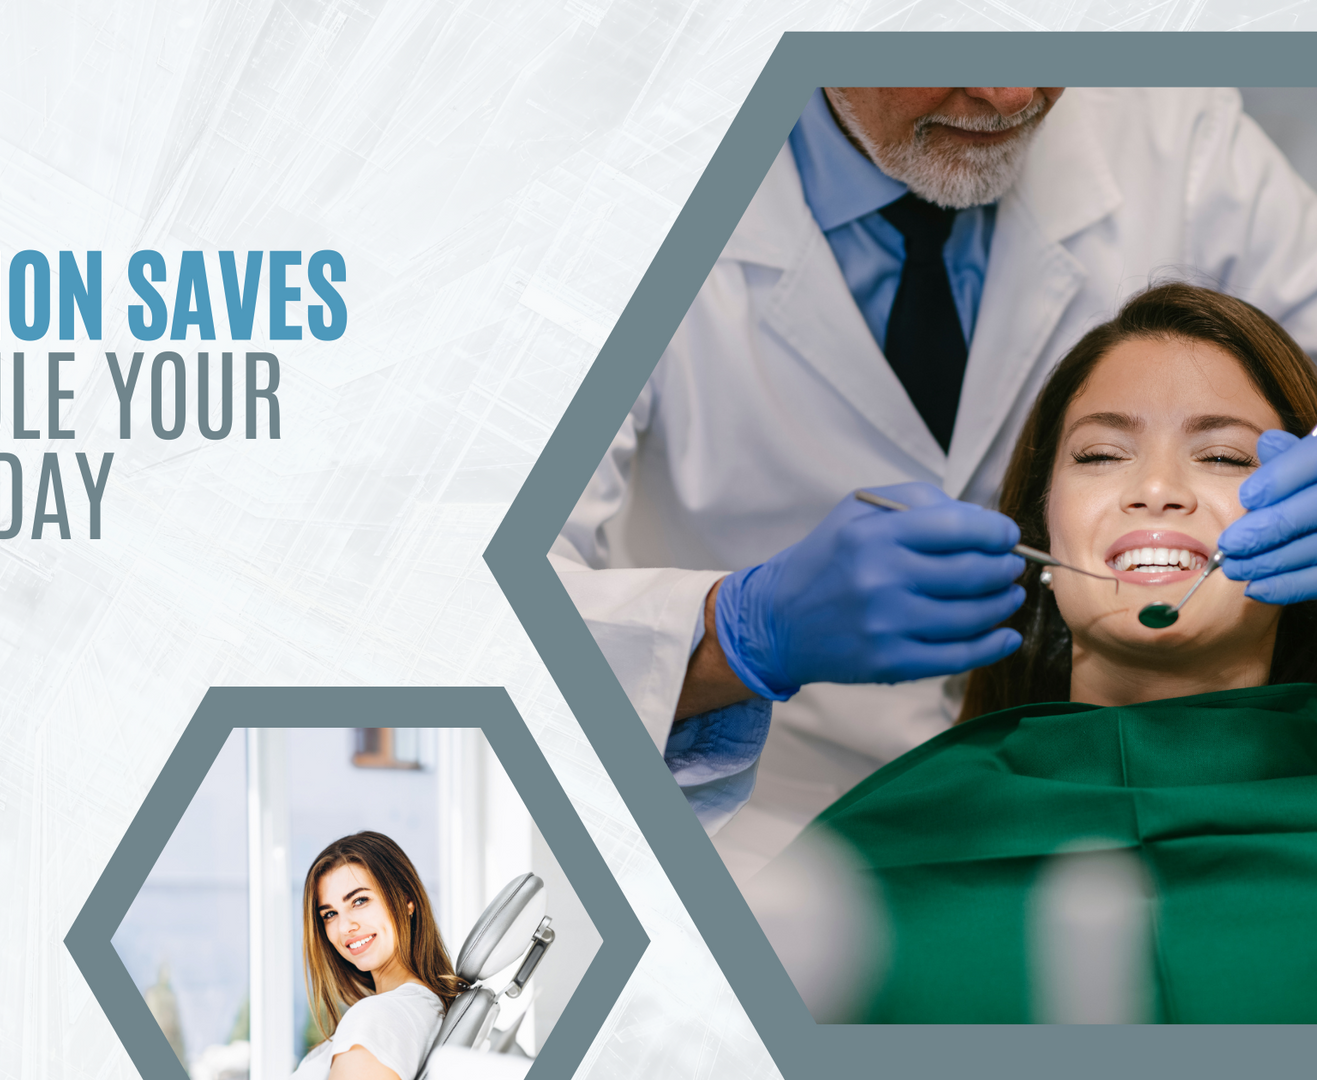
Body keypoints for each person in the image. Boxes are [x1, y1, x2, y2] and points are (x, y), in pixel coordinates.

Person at [553, 85, 1317, 877]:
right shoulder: (614, 193)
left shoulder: (1172, 129)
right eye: (1098, 454)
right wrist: (733, 633)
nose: (1008, 93)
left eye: (1225, 457)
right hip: (764, 832)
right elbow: (463, 602)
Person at [803, 284, 1317, 1022]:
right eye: (1103, 453)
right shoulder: (871, 855)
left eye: (1225, 456)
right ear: (1039, 532)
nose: (1157, 489)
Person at [291, 832, 464, 1080]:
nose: (344, 927)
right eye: (329, 914)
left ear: (407, 899)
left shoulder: (376, 1017)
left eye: (359, 901)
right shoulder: (420, 1008)